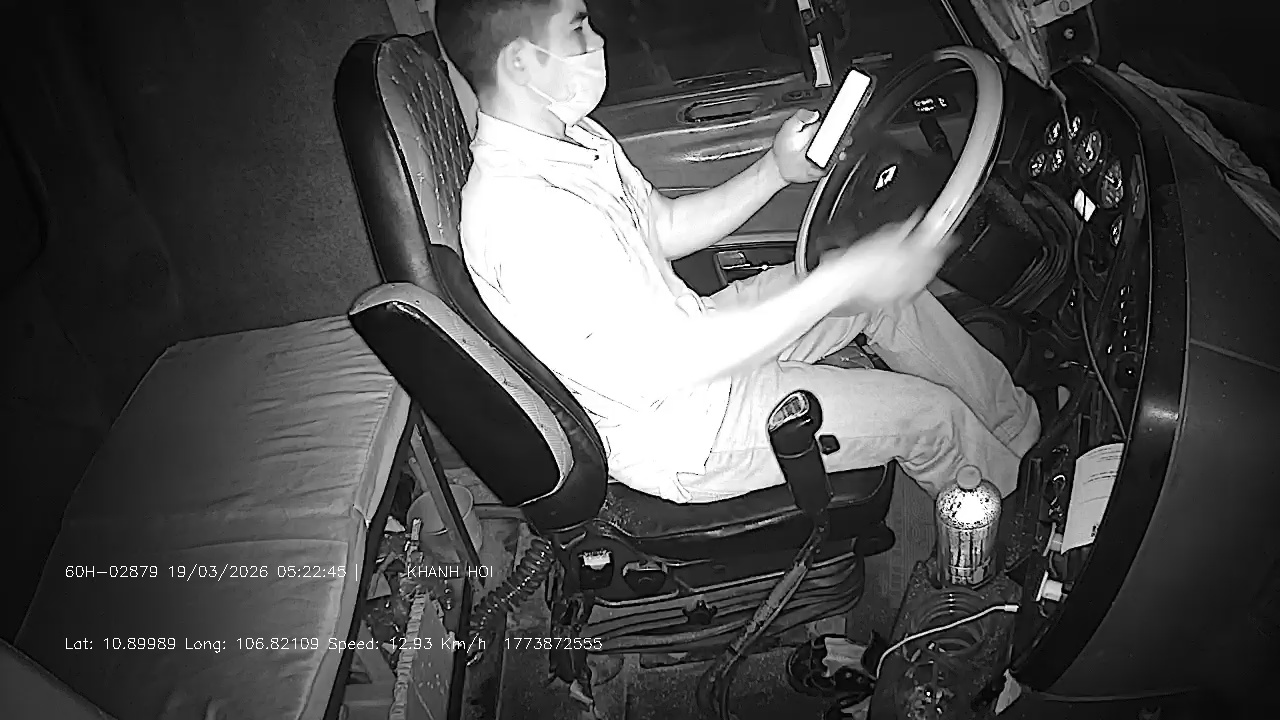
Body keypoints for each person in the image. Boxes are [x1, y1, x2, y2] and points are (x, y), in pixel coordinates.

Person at [435, 0, 1040, 504]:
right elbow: (674, 364)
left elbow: (664, 225)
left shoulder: (571, 138)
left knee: (877, 296)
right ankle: (1017, 515)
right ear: (520, 62)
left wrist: (776, 170)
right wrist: (837, 283)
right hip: (688, 427)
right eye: (576, 27)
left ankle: (1018, 432)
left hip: (697, 340)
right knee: (930, 419)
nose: (597, 40)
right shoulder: (526, 218)